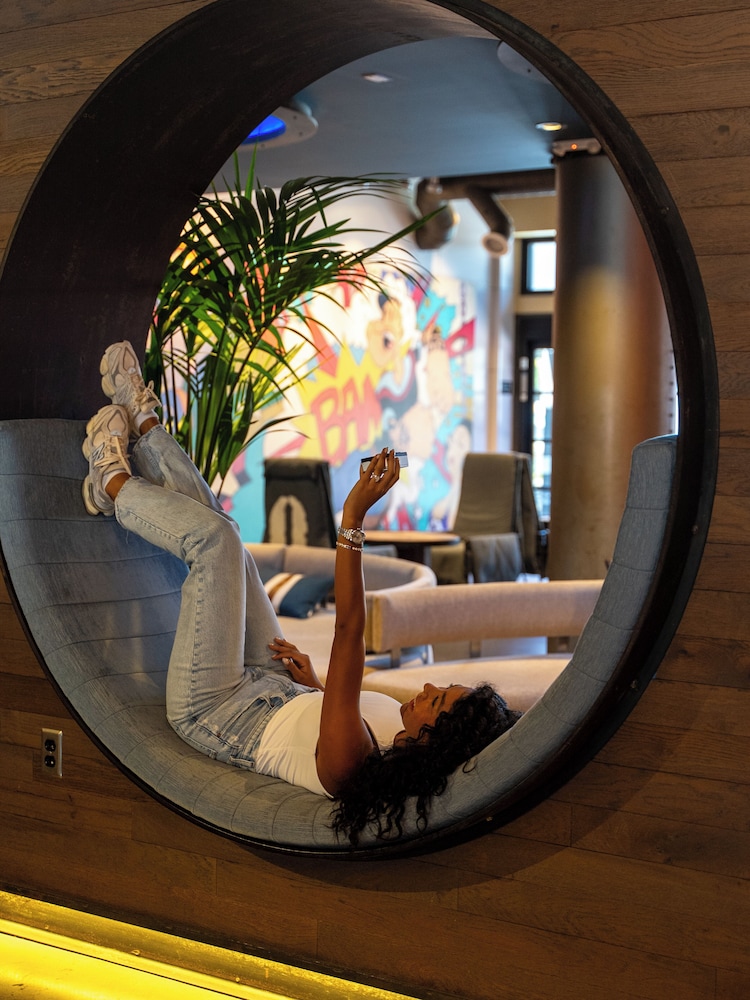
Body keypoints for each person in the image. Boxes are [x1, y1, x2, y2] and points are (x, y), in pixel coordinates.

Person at [81, 342, 521, 846]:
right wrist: (314, 688)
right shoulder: (390, 734)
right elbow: (322, 719)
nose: (426, 686)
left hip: (215, 709)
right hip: (276, 686)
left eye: (436, 700)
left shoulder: (352, 766)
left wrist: (353, 517)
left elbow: (349, 630)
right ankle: (146, 427)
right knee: (233, 542)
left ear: (432, 741)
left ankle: (111, 484)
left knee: (214, 542)